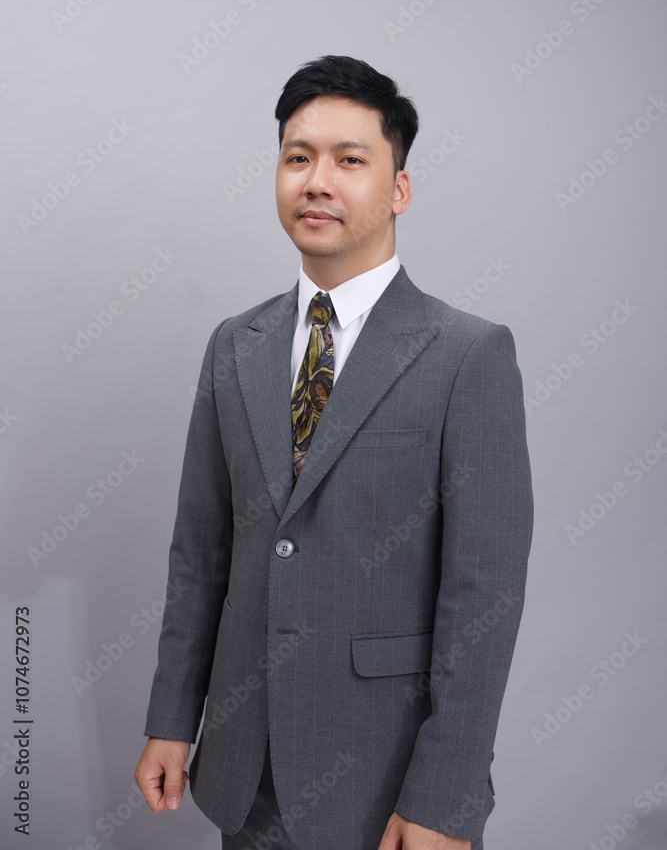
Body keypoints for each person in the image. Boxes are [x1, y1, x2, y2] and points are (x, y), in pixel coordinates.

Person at [134, 55, 534, 850]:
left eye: (350, 160)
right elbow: (200, 554)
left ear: (398, 190)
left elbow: (482, 597)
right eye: (297, 157)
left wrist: (444, 797)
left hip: (386, 781)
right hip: (244, 772)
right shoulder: (235, 346)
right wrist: (173, 719)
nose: (317, 181)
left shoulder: (466, 355)